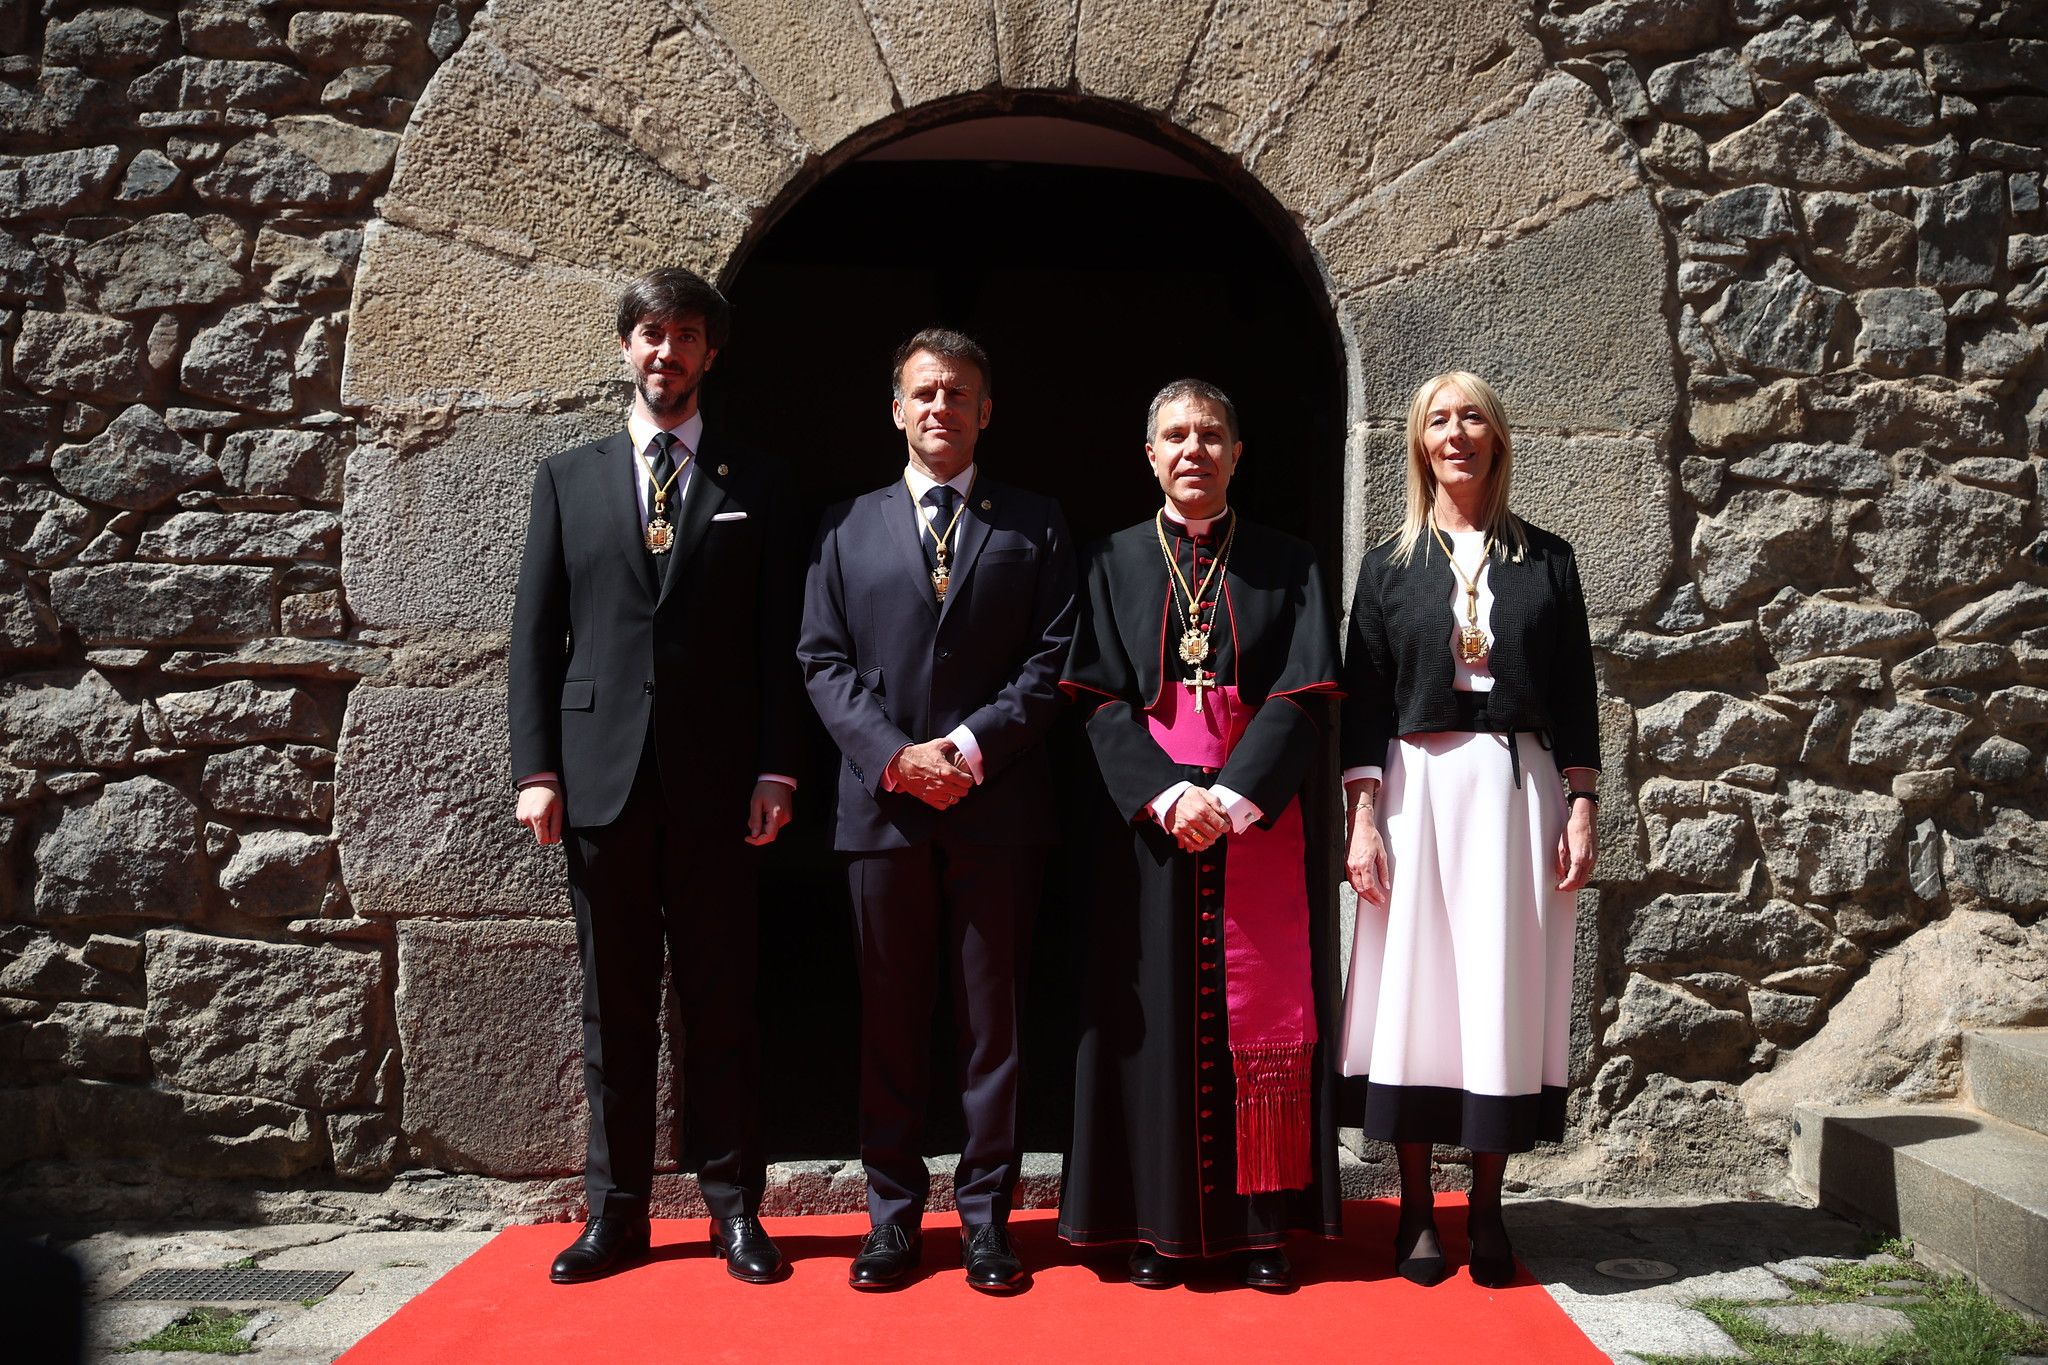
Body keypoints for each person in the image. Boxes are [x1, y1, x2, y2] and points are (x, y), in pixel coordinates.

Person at [509, 267, 802, 1285]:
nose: (664, 352)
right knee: (614, 1008)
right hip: (597, 784)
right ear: (624, 348)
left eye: (684, 335)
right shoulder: (568, 479)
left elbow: (779, 643)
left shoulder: (754, 484)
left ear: (709, 353)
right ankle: (617, 1213)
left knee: (724, 1004)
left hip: (721, 788)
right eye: (648, 333)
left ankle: (733, 1214)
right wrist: (536, 769)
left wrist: (776, 768)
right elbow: (535, 638)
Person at [799, 328, 1077, 1293]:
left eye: (958, 393)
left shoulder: (1035, 523)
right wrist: (895, 758)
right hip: (885, 814)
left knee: (990, 1024)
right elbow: (821, 662)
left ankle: (988, 1220)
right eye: (923, 393)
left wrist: (963, 751)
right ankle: (890, 1218)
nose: (939, 408)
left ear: (985, 410)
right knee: (889, 1017)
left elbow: (1053, 664)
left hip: (996, 811)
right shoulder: (845, 525)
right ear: (895, 407)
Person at [1057, 379, 1344, 1290]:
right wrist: (1168, 796)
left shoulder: (1289, 563)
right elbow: (1099, 701)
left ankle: (1262, 1231)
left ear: (1236, 453)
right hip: (1152, 830)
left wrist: (1237, 794)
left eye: (1211, 435)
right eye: (1176, 436)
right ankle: (1157, 1226)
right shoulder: (1109, 560)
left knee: (1259, 1027)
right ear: (1150, 455)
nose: (1194, 450)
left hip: (1255, 822)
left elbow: (1304, 693)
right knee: (1154, 1026)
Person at [1338, 370, 1600, 1289]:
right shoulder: (1388, 565)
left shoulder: (1548, 561)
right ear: (1418, 443)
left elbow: (1575, 696)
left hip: (1516, 790)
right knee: (1416, 994)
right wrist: (1362, 819)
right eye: (1439, 421)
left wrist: (1580, 803)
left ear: (1497, 439)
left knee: (1498, 989)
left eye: (1472, 418)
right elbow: (1363, 701)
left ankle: (1485, 1210)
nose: (1456, 434)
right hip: (1417, 788)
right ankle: (1416, 1212)